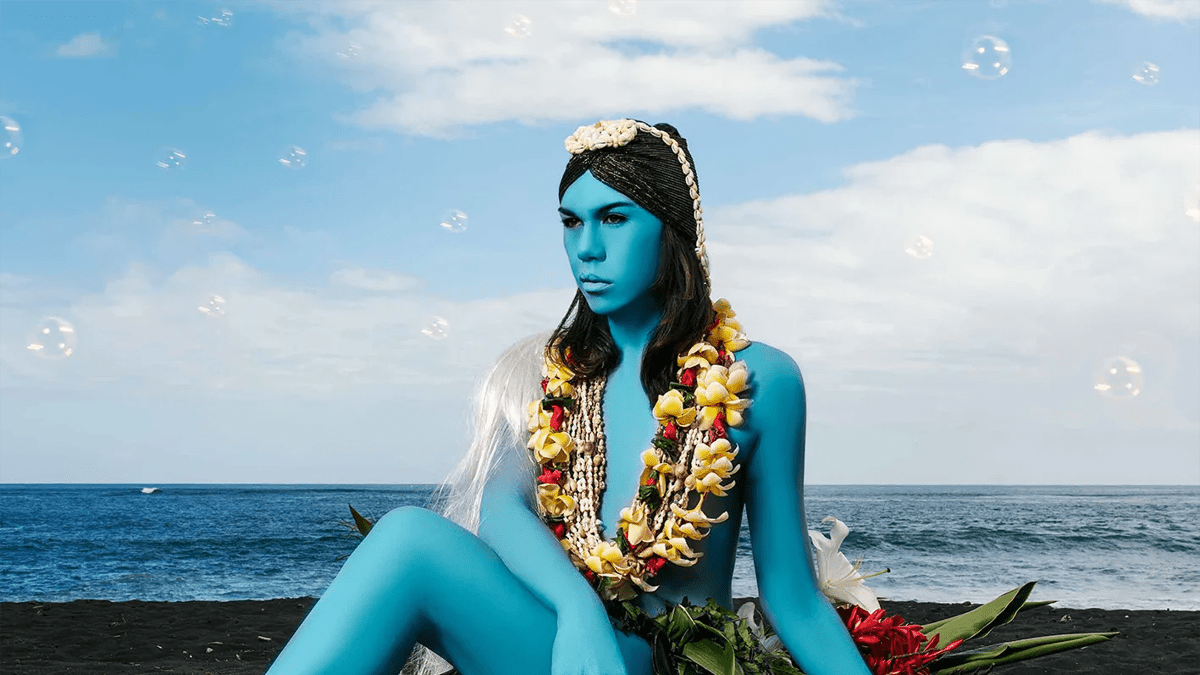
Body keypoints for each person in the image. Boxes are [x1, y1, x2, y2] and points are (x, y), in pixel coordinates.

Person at [265, 120, 873, 675]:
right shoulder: (550, 372)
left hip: (671, 661)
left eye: (614, 218)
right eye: (570, 222)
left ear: (672, 229)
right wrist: (579, 614)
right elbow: (500, 507)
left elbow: (793, 600)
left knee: (405, 541)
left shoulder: (759, 379)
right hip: (565, 647)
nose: (586, 247)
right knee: (406, 539)